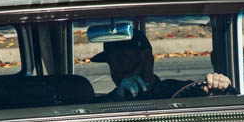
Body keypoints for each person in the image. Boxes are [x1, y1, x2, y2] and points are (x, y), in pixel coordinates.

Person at [92, 30, 233, 100]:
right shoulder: (107, 101)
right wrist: (119, 99)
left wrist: (220, 87)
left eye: (122, 59)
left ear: (146, 58)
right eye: (110, 63)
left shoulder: (183, 90)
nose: (115, 69)